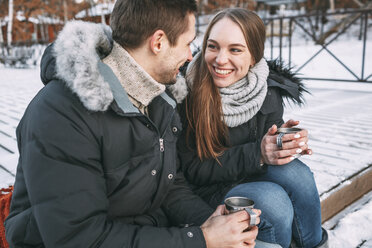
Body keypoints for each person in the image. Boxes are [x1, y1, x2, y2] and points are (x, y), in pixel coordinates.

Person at [4, 1, 266, 247]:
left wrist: (210, 221)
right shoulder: (62, 115)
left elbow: (169, 185)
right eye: (188, 44)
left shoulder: (159, 96)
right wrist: (200, 239)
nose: (190, 56)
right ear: (159, 42)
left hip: (147, 231)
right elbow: (80, 238)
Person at [175, 8, 328, 248]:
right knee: (272, 201)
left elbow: (268, 147)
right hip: (207, 191)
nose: (220, 59)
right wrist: (258, 153)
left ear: (254, 56)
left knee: (298, 174)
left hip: (248, 173)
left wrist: (284, 145)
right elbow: (192, 169)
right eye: (213, 46)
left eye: (235, 49)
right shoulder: (186, 93)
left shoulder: (267, 90)